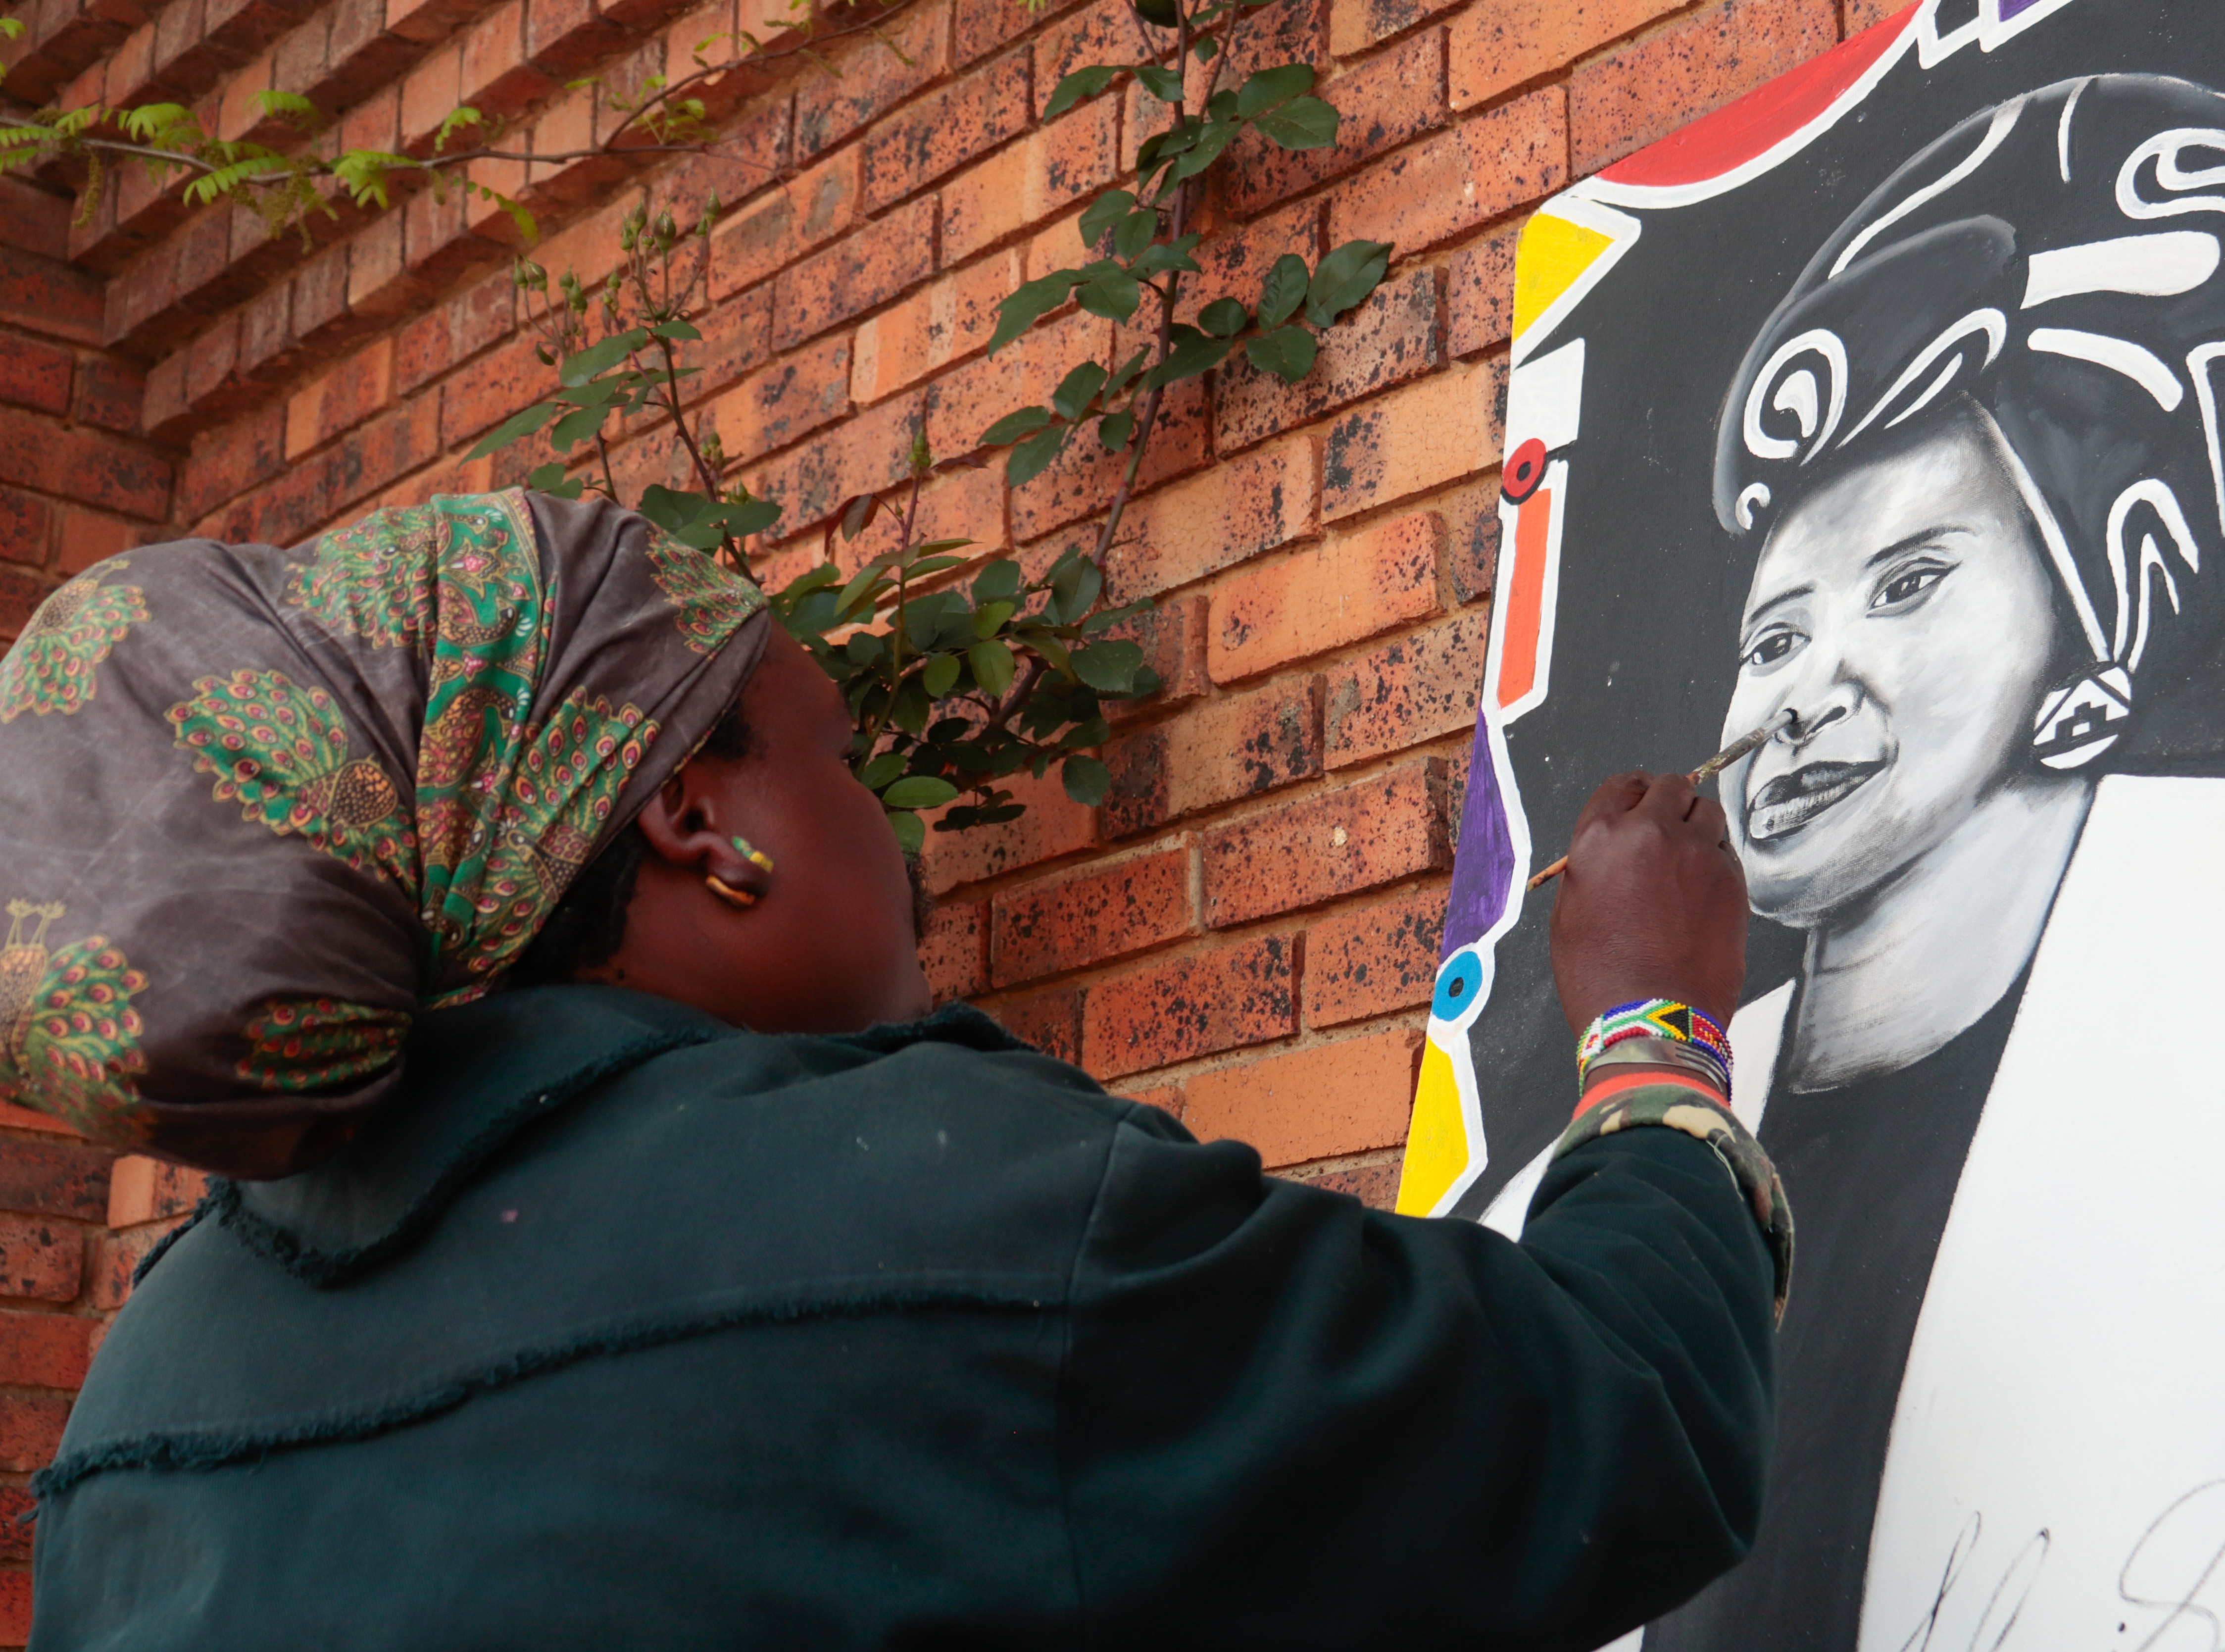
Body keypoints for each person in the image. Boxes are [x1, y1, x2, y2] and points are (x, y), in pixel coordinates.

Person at [0, 487, 1791, 1649]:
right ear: (698, 821)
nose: (891, 829)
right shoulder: (946, 1212)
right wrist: (1651, 1029)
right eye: (840, 756)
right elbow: (1612, 1416)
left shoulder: (141, 1398)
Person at [1640, 73, 2225, 1652]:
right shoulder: (1596, 1177)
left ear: (2090, 663)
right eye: (1775, 635)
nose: (1805, 688)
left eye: (1912, 582)